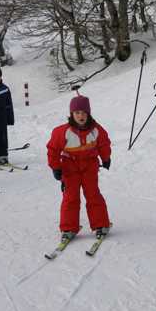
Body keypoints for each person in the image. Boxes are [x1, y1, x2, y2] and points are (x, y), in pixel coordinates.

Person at [46, 95, 112, 242]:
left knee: (92, 194)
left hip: (90, 164)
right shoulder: (63, 131)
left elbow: (104, 144)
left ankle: (100, 225)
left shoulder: (96, 130)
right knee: (70, 196)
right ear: (71, 114)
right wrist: (56, 167)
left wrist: (106, 158)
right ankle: (68, 227)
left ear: (88, 114)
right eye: (77, 113)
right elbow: (53, 150)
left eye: (84, 112)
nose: (80, 116)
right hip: (70, 165)